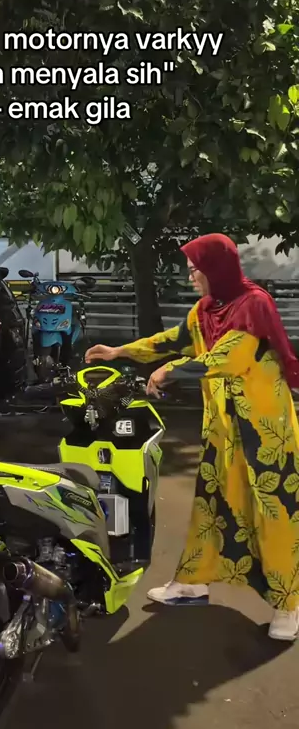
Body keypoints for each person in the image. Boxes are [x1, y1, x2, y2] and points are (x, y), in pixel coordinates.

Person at [86, 233, 299, 641]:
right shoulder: (205, 310)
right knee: (211, 502)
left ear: (218, 269)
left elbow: (229, 357)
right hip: (224, 428)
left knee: (273, 513)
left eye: (196, 269)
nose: (191, 276)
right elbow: (172, 340)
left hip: (264, 433)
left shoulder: (253, 304)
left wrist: (169, 371)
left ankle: (289, 604)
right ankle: (192, 582)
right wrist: (119, 351)